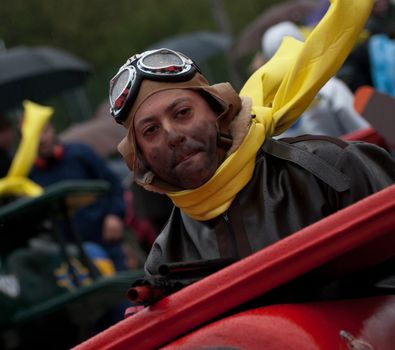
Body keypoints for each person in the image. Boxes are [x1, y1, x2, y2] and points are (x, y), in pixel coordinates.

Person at [108, 0, 395, 277]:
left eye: (183, 113)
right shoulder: (165, 260)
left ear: (217, 109)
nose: (172, 135)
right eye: (151, 131)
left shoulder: (332, 169)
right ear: (140, 157)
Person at [28, 116, 128, 270]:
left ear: (52, 129)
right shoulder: (31, 176)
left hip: (105, 238)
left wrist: (114, 215)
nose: (41, 139)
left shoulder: (80, 153)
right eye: (33, 134)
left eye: (44, 130)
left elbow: (112, 183)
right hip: (68, 253)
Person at [260, 21, 370, 137]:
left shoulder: (268, 110)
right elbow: (363, 133)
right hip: (348, 154)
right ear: (305, 45)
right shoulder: (329, 88)